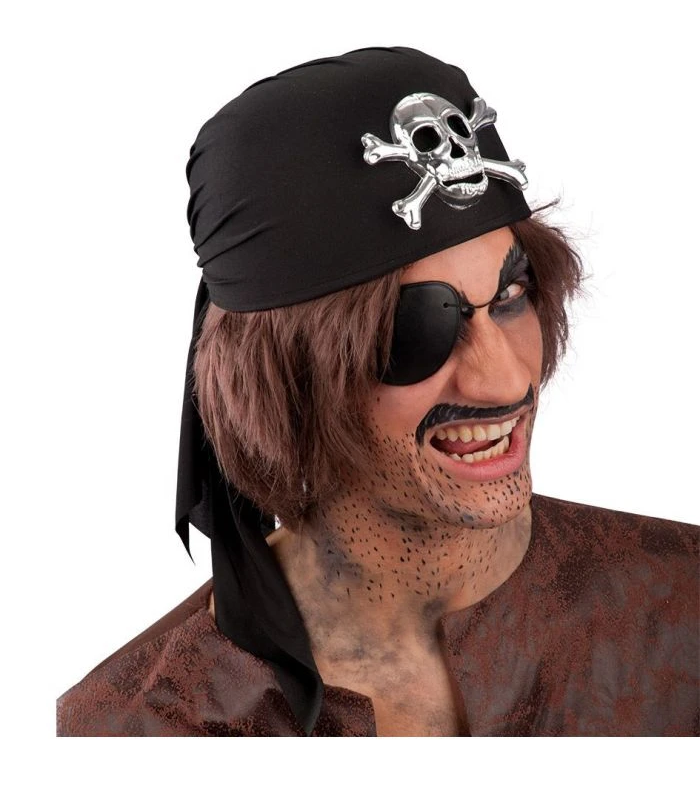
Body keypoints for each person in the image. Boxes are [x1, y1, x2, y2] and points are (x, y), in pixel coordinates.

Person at [56, 46, 699, 737]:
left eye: (512, 296)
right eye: (418, 326)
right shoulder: (133, 731)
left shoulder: (680, 604)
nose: (506, 380)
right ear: (283, 379)